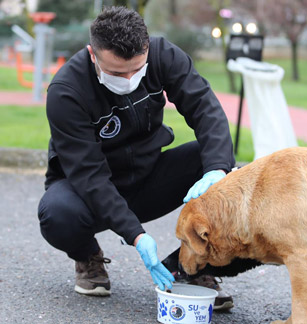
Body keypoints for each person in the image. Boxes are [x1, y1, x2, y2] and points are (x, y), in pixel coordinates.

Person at [37, 6, 236, 310]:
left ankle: (190, 266)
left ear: (147, 48)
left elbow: (205, 109)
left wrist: (218, 171)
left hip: (149, 176)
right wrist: (137, 236)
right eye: (117, 73)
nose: (129, 79)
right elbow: (90, 176)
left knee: (223, 168)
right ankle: (87, 256)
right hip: (92, 192)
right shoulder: (66, 92)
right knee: (56, 214)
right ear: (93, 54)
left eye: (137, 69)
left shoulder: (163, 55)